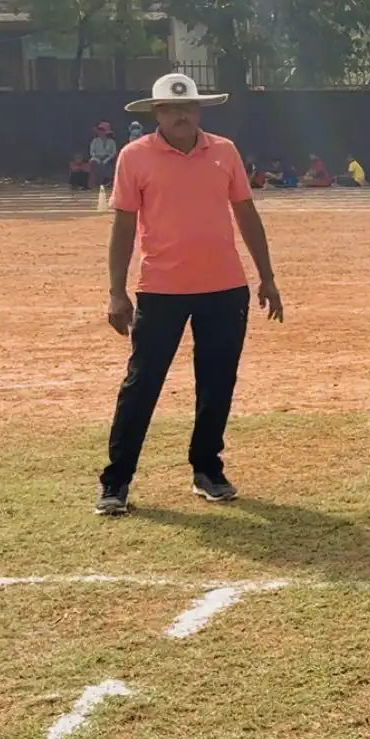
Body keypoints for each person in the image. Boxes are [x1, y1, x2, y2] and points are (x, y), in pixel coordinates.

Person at [96, 73, 283, 516]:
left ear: (200, 111)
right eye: (171, 109)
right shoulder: (134, 157)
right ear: (156, 113)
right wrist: (116, 292)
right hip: (161, 289)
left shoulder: (224, 152)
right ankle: (116, 481)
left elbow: (246, 213)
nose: (182, 115)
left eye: (189, 108)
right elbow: (122, 225)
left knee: (217, 382)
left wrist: (267, 276)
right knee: (141, 385)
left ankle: (207, 469)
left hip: (224, 287)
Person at [89, 122, 118, 189]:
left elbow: (113, 153)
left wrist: (106, 159)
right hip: (96, 158)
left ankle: (107, 181)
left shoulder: (111, 141)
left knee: (108, 164)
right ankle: (96, 182)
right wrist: (97, 158)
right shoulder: (95, 141)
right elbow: (92, 152)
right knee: (94, 163)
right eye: (100, 130)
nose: (100, 132)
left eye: (102, 130)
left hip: (108, 158)